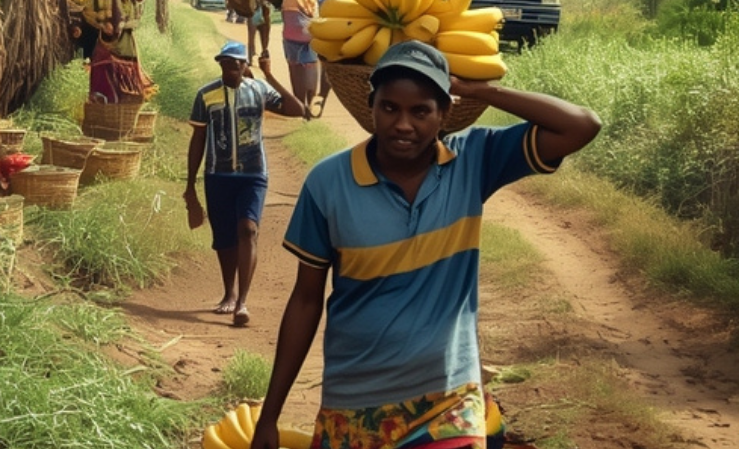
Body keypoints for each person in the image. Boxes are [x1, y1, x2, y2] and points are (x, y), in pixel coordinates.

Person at [249, 41, 601, 449]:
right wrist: (269, 417)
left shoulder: (473, 161)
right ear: (371, 106)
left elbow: (582, 125)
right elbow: (306, 301)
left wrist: (482, 92)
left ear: (444, 114)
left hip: (448, 404)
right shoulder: (328, 183)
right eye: (390, 108)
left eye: (421, 111)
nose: (403, 124)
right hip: (353, 406)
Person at [184, 40, 305, 328]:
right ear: (220, 65)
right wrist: (190, 186)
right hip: (218, 175)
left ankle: (242, 302)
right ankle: (229, 292)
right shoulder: (206, 96)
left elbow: (297, 109)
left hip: (253, 174)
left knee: (248, 229)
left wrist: (270, 75)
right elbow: (198, 139)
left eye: (236, 62)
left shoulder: (260, 91)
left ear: (244, 66)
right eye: (226, 62)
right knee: (224, 239)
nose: (231, 67)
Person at [79, 0, 153, 102]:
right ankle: (106, 114)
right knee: (104, 82)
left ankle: (123, 116)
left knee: (125, 86)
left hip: (124, 45)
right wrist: (102, 25)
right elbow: (90, 16)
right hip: (105, 45)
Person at [276, 0, 327, 117]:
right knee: (296, 73)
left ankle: (310, 108)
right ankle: (300, 108)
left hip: (310, 40)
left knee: (311, 77)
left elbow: (328, 1)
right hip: (291, 41)